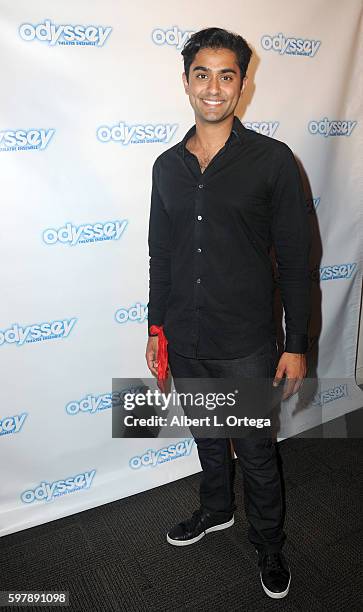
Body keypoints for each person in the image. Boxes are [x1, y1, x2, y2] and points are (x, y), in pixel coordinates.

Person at [145, 27, 310, 600]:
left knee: (257, 451)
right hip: (184, 335)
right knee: (207, 439)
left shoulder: (272, 161)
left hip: (245, 341)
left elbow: (295, 259)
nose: (213, 87)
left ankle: (269, 542)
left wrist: (295, 343)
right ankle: (216, 509)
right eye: (201, 74)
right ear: (186, 82)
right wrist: (155, 327)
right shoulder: (166, 167)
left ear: (243, 82)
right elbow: (159, 253)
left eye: (227, 74)